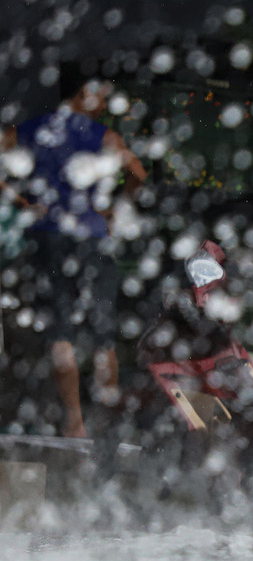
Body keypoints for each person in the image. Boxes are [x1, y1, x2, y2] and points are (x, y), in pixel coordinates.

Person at [0, 80, 146, 438]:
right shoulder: (103, 135)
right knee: (102, 334)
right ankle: (106, 420)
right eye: (98, 97)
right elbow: (138, 175)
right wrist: (113, 212)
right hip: (92, 241)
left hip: (50, 239)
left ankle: (74, 420)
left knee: (61, 334)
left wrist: (21, 202)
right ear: (82, 95)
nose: (101, 104)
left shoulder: (39, 127)